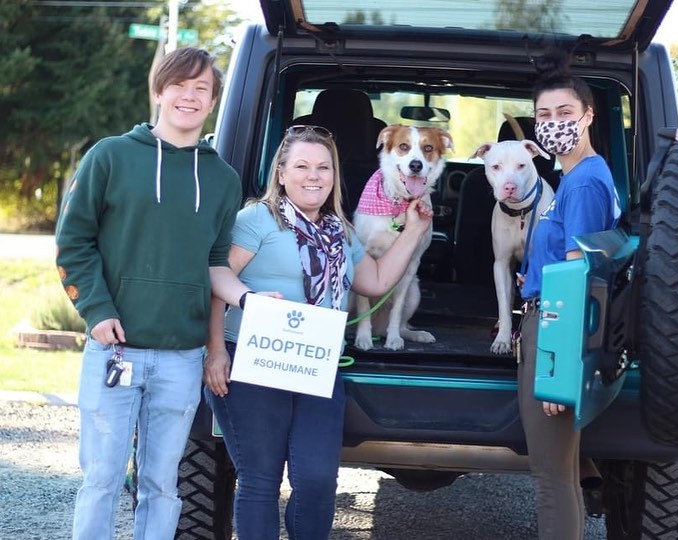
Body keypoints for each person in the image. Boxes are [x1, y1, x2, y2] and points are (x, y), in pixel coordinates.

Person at [203, 125, 434, 539]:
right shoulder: (257, 218)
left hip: (316, 367)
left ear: (334, 175)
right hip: (253, 363)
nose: (314, 176)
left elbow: (378, 280)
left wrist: (414, 230)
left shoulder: (340, 232)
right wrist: (220, 343)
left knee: (317, 480)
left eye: (323, 167)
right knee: (260, 479)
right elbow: (216, 272)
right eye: (303, 166)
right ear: (282, 174)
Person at [56, 47, 243, 540]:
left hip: (180, 359)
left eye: (202, 89)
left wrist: (252, 301)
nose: (189, 95)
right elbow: (73, 242)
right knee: (101, 479)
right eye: (179, 85)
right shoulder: (111, 156)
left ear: (212, 104)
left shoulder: (223, 180)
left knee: (162, 485)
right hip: (114, 350)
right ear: (159, 91)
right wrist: (95, 310)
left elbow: (215, 267)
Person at [517, 50, 622, 540]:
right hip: (549, 322)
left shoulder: (582, 184)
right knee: (566, 474)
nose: (553, 123)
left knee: (551, 478)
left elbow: (581, 274)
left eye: (564, 114)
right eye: (543, 115)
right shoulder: (577, 177)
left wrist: (558, 366)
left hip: (555, 331)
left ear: (587, 116)